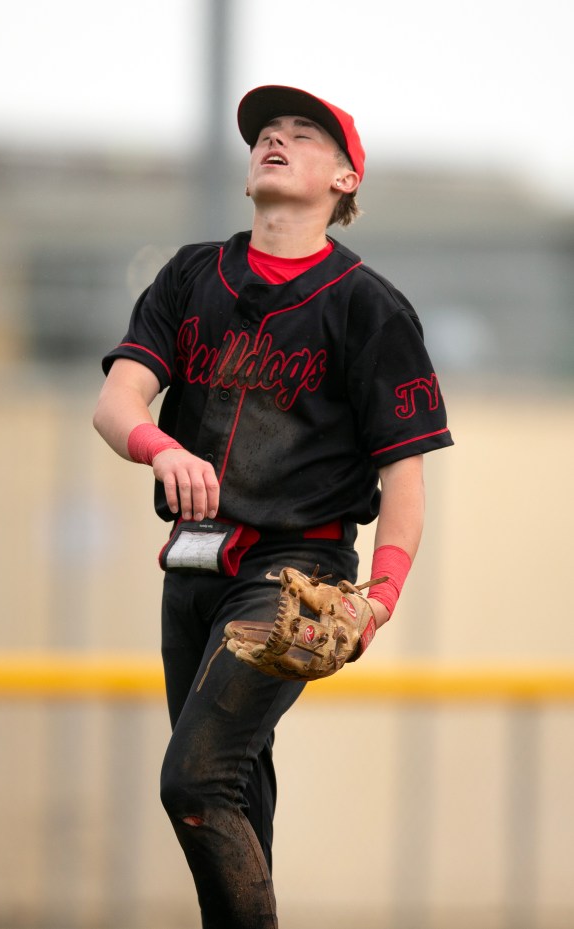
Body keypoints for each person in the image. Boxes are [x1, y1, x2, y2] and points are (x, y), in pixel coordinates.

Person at [93, 84, 453, 929]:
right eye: (266, 133)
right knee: (232, 790)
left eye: (303, 134)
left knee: (194, 778)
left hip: (294, 574)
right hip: (192, 566)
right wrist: (162, 446)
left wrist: (382, 598)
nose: (276, 142)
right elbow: (118, 404)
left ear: (346, 177)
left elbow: (406, 476)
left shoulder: (367, 306)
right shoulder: (189, 275)